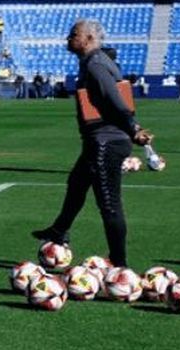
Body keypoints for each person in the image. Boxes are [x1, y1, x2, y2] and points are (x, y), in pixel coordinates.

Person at [32, 20, 154, 269]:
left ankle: (120, 265)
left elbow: (115, 99)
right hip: (99, 140)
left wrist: (134, 129)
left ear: (88, 39)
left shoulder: (96, 64)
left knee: (109, 204)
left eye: (74, 34)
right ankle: (59, 230)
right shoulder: (94, 62)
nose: (68, 38)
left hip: (106, 142)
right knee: (76, 183)